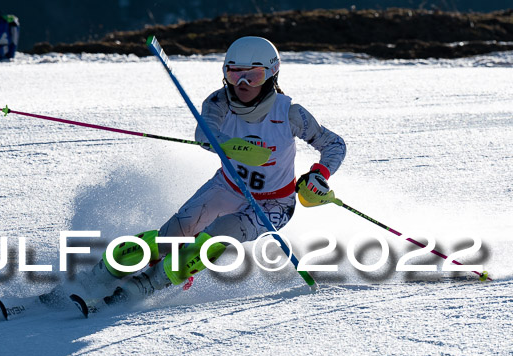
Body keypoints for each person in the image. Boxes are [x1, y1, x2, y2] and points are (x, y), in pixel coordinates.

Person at [45, 36, 346, 312]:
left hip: (274, 203)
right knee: (168, 239)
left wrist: (319, 175)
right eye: (233, 73)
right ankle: (94, 279)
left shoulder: (289, 113)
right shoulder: (219, 102)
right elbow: (205, 132)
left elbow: (334, 144)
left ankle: (143, 287)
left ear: (271, 75)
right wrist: (228, 146)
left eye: (252, 76)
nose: (241, 83)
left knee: (213, 238)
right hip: (227, 188)